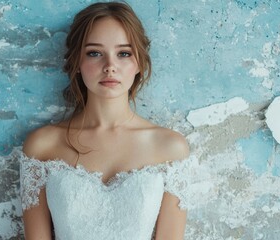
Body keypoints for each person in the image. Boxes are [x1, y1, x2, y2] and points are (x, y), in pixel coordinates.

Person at [20, 2, 190, 239]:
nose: (110, 67)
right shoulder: (42, 146)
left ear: (139, 62)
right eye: (94, 53)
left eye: (123, 53)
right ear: (77, 63)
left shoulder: (170, 147)